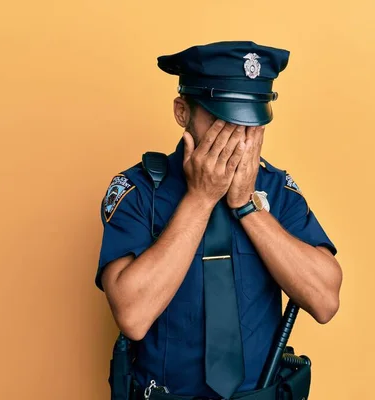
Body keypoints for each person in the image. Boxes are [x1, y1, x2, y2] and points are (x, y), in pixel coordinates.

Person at [96, 41, 343, 399]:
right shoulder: (137, 190)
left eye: (249, 123)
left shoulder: (276, 187)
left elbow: (325, 301)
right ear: (183, 112)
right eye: (221, 120)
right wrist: (200, 199)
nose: (236, 139)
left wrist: (247, 206)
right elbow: (132, 316)